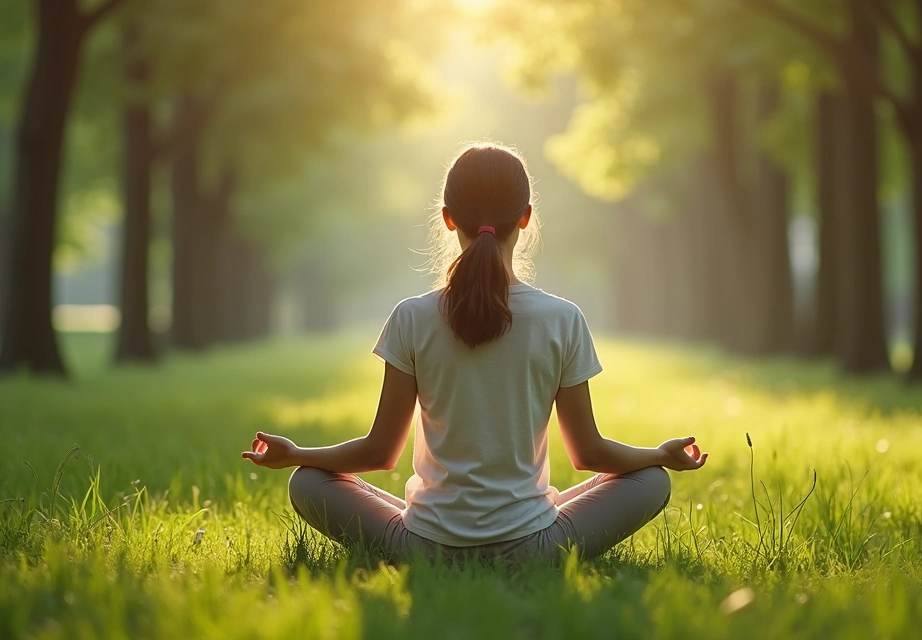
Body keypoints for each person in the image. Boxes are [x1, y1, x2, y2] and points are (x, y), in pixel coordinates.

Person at [243, 142, 708, 563]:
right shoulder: (561, 318)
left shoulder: (411, 316)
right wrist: (659, 454)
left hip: (424, 548)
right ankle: (530, 520)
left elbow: (380, 451)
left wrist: (296, 452)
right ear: (525, 218)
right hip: (535, 549)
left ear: (448, 218)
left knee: (305, 479)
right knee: (652, 479)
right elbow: (588, 453)